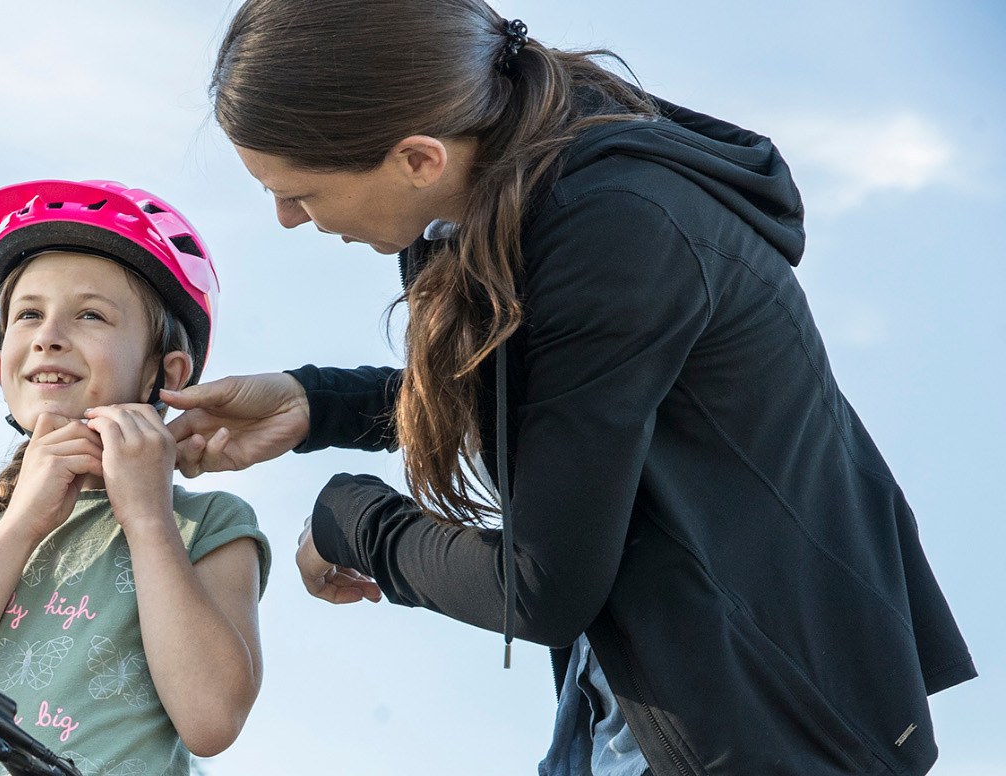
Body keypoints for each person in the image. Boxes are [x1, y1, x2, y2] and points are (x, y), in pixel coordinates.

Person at [162, 0, 976, 774]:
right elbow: (562, 410)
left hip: (762, 727)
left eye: (296, 192)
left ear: (418, 158)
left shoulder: (615, 227)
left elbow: (541, 586)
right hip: (648, 705)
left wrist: (350, 519)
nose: (286, 220)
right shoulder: (518, 194)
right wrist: (318, 405)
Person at [0, 180, 268, 776]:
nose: (49, 334)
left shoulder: (207, 526)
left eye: (90, 314)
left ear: (164, 374)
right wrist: (21, 522)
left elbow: (211, 719)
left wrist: (146, 518)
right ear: (0, 364)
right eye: (28, 313)